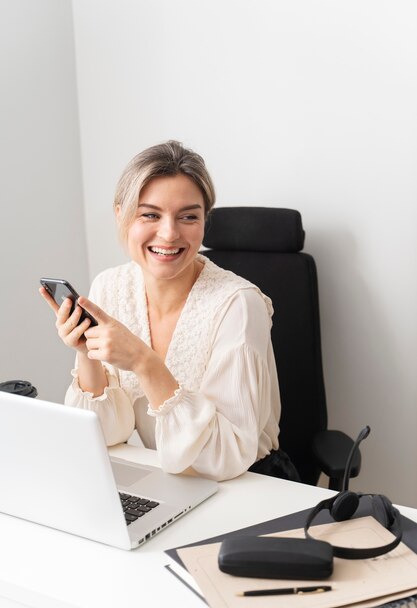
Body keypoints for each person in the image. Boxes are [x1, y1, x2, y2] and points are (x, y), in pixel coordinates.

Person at [39, 140, 299, 482]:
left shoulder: (238, 304)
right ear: (121, 215)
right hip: (167, 481)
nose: (169, 233)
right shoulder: (110, 287)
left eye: (188, 216)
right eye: (150, 214)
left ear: (205, 220)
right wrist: (86, 355)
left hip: (247, 484)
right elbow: (105, 434)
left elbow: (225, 458)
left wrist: (143, 363)